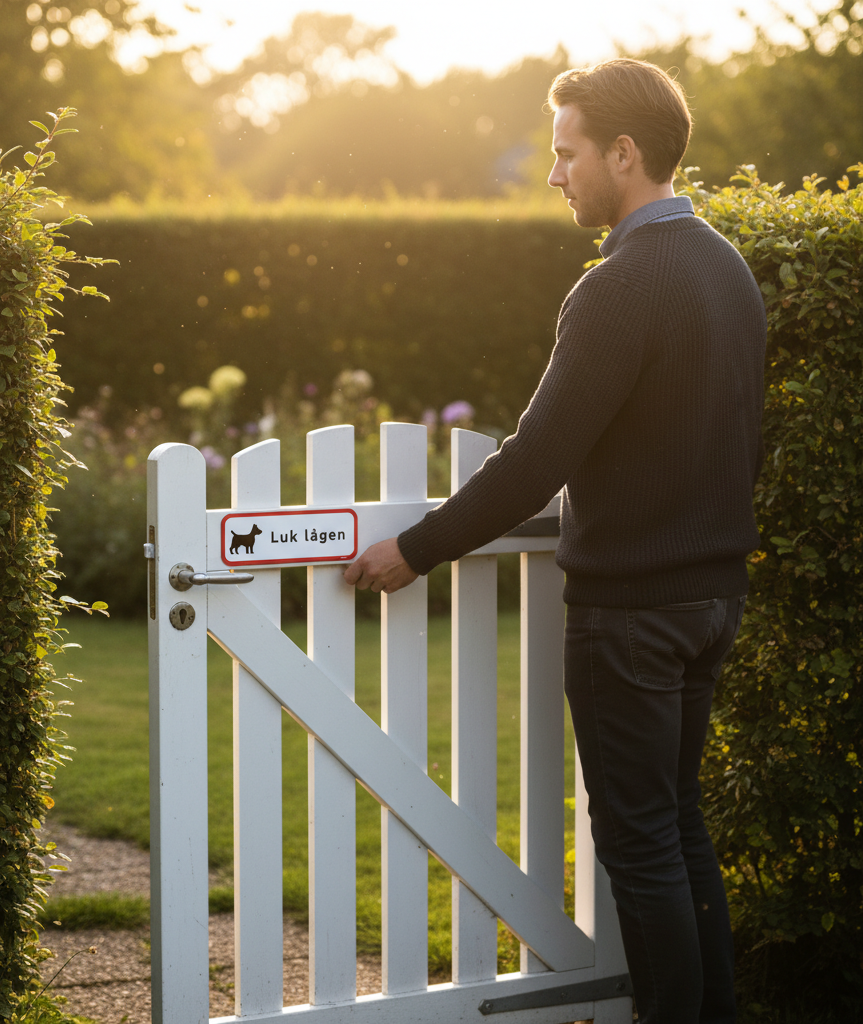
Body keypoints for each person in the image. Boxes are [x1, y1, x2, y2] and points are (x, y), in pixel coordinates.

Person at [343, 58, 766, 1024]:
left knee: (644, 845)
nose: (554, 173)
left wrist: (418, 546)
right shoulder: (726, 268)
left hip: (634, 615)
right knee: (680, 830)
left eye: (567, 152)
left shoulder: (622, 285)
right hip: (711, 602)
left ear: (624, 153)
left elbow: (535, 459)